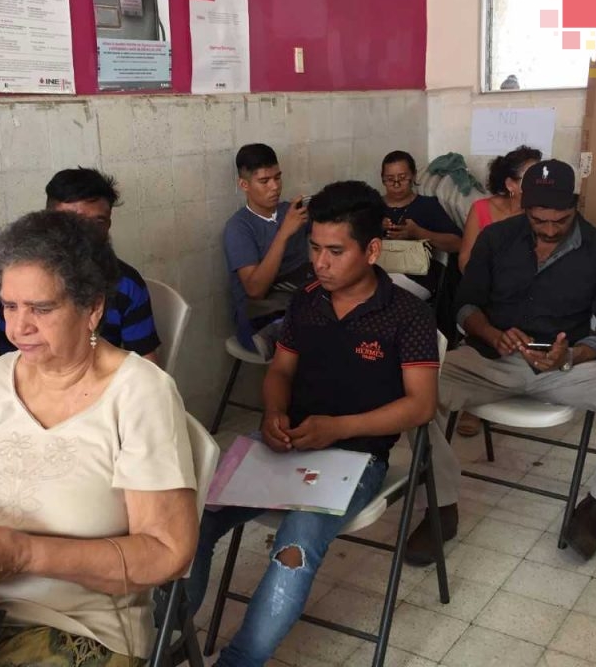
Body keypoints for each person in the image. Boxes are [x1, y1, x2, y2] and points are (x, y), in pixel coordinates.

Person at [0, 210, 197, 666]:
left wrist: (23, 555)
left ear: (93, 309)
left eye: (41, 309)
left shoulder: (140, 393)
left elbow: (166, 554)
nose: (18, 328)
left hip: (78, 627)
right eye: (9, 306)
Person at [187, 181, 443, 667]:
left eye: (335, 251)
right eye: (314, 248)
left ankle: (238, 662)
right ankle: (170, 636)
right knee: (194, 516)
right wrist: (273, 414)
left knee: (296, 544)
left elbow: (420, 406)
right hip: (289, 443)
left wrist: (337, 429)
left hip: (357, 458)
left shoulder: (406, 315)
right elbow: (280, 372)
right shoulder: (307, 300)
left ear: (371, 251)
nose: (320, 263)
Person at [441, 160, 596, 560]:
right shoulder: (496, 238)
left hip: (566, 366)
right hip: (492, 359)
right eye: (538, 219)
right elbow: (465, 303)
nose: (549, 230)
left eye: (560, 220)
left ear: (575, 205)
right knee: (420, 385)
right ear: (524, 205)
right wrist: (491, 333)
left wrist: (572, 354)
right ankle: (439, 505)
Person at [0, 168, 160, 362]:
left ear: (95, 308)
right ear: (48, 221)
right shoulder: (4, 272)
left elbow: (147, 367)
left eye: (97, 223)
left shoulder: (126, 284)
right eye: (11, 306)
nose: (85, 234)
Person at [455, 145, 542, 437]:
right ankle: (474, 402)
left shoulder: (542, 215)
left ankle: (521, 379)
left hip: (530, 294)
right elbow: (465, 259)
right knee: (482, 319)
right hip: (488, 292)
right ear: (511, 184)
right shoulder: (483, 210)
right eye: (532, 177)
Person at [223, 143, 313, 358]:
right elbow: (255, 290)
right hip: (258, 316)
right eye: (264, 181)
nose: (275, 187)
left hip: (298, 298)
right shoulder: (239, 227)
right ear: (244, 184)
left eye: (278, 178)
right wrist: (284, 233)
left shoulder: (291, 211)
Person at [380, 150, 462, 299]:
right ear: (383, 179)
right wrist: (374, 226)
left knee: (380, 292)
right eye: (390, 179)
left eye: (402, 178)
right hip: (377, 270)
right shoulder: (374, 205)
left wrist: (418, 233)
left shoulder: (427, 206)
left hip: (417, 277)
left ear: (413, 176)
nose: (396, 184)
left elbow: (457, 243)